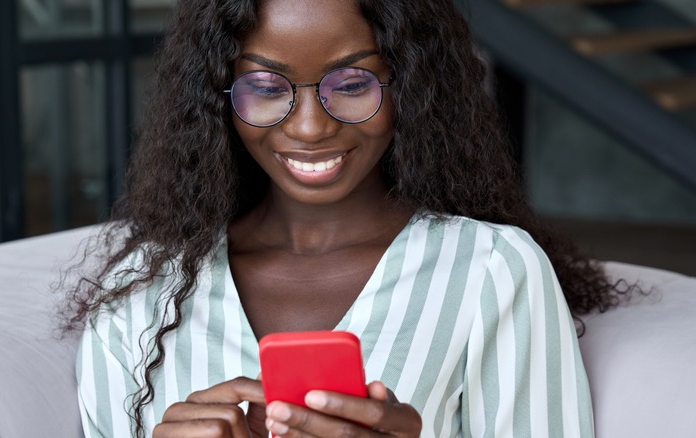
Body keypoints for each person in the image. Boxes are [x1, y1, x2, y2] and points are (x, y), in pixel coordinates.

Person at [65, 0, 626, 436]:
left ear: (412, 85)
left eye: (353, 85)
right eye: (264, 87)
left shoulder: (493, 271)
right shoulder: (138, 296)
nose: (310, 127)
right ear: (215, 97)